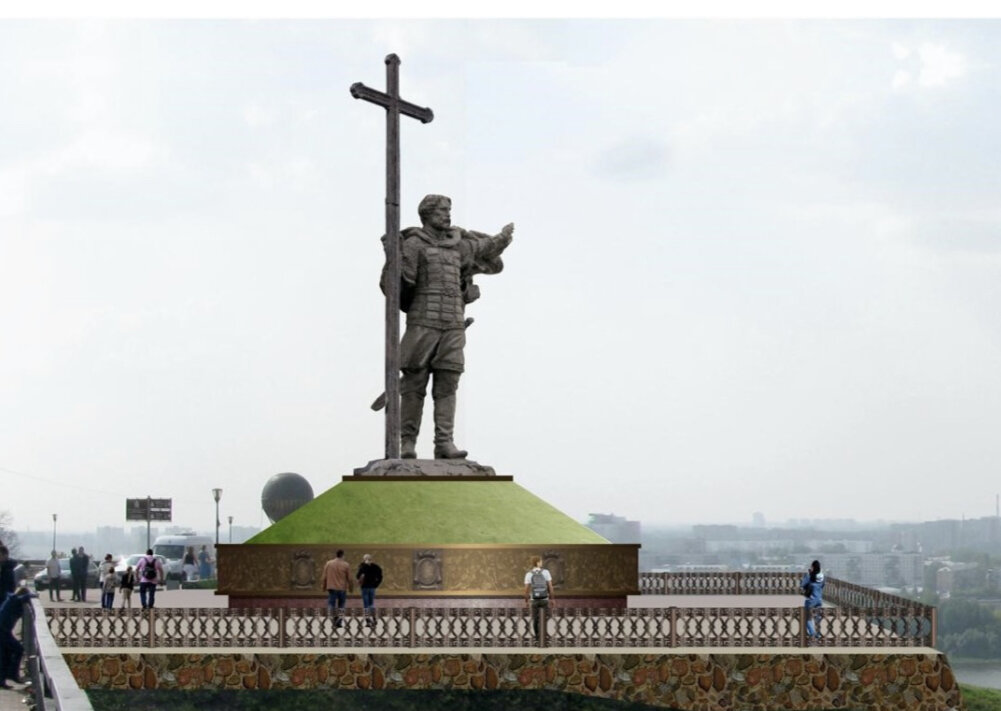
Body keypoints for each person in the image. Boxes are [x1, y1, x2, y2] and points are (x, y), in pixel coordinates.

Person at [383, 194, 514, 459]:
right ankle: (407, 443)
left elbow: (486, 248)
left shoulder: (459, 245)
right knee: (414, 385)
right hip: (422, 321)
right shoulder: (414, 244)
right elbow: (401, 282)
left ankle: (444, 442)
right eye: (442, 211)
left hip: (453, 322)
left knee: (448, 383)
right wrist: (394, 256)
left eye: (448, 210)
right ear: (427, 214)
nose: (447, 215)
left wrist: (503, 238)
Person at [0, 586, 36, 688]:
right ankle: (12, 674)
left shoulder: (11, 600)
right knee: (18, 650)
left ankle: (6, 678)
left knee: (5, 655)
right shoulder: (14, 600)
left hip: (5, 630)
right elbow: (22, 598)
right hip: (2, 631)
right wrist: (32, 595)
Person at [524, 556, 554, 643]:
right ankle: (543, 637)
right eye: (540, 561)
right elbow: (550, 587)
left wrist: (526, 601)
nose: (541, 563)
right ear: (537, 562)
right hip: (544, 599)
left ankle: (537, 638)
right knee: (543, 618)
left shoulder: (528, 574)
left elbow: (526, 590)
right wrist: (552, 599)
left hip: (534, 600)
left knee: (535, 619)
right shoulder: (546, 572)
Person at [322, 550, 353, 628]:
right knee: (341, 605)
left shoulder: (328, 563)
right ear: (342, 555)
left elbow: (324, 577)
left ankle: (333, 619)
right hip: (342, 588)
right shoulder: (346, 565)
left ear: (336, 555)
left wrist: (324, 587)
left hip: (331, 587)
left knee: (331, 604)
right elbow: (349, 578)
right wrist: (351, 588)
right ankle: (339, 621)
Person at [801, 559, 826, 641]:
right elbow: (822, 586)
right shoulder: (822, 576)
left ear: (813, 567)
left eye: (811, 566)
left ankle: (813, 634)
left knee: (806, 617)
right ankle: (818, 635)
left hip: (811, 599)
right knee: (817, 618)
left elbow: (802, 584)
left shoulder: (809, 575)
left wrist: (807, 575)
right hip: (819, 599)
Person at [356, 554, 383, 626]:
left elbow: (358, 576)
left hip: (364, 587)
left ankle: (368, 620)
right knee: (371, 604)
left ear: (364, 559)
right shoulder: (376, 567)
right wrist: (376, 585)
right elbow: (380, 577)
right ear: (371, 559)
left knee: (366, 605)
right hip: (372, 588)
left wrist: (363, 566)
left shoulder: (362, 567)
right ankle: (374, 619)